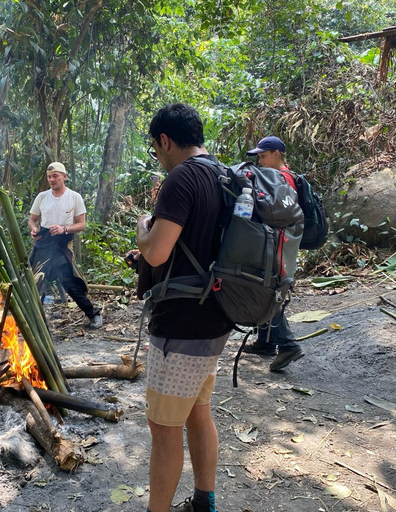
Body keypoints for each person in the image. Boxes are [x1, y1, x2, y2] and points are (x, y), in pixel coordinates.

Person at [135, 103, 234, 512]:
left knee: (163, 426)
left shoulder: (181, 178)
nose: (159, 157)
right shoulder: (224, 174)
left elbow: (157, 252)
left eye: (157, 149)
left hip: (182, 323)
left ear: (165, 140)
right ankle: (204, 502)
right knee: (197, 411)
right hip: (217, 313)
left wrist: (143, 228)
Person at [242, 136, 304, 371]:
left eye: (263, 155)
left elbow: (277, 213)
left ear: (277, 153)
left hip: (278, 242)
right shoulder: (282, 176)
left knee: (268, 291)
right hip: (279, 240)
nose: (260, 160)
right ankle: (265, 342)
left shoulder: (282, 178)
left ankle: (288, 344)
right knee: (267, 287)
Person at [28, 162, 102, 329]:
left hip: (62, 244)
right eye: (49, 177)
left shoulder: (74, 197)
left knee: (69, 282)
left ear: (64, 176)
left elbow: (81, 224)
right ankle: (33, 323)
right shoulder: (42, 197)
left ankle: (93, 314)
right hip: (43, 245)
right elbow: (32, 219)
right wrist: (34, 229)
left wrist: (63, 228)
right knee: (35, 283)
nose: (52, 180)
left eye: (55, 176)